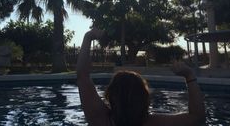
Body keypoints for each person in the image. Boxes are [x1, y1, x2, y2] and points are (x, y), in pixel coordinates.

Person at [76, 28, 205, 126]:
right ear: (145, 97)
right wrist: (189, 76)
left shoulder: (100, 120)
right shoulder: (154, 123)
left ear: (111, 96)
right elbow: (197, 118)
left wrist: (88, 37)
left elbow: (82, 76)